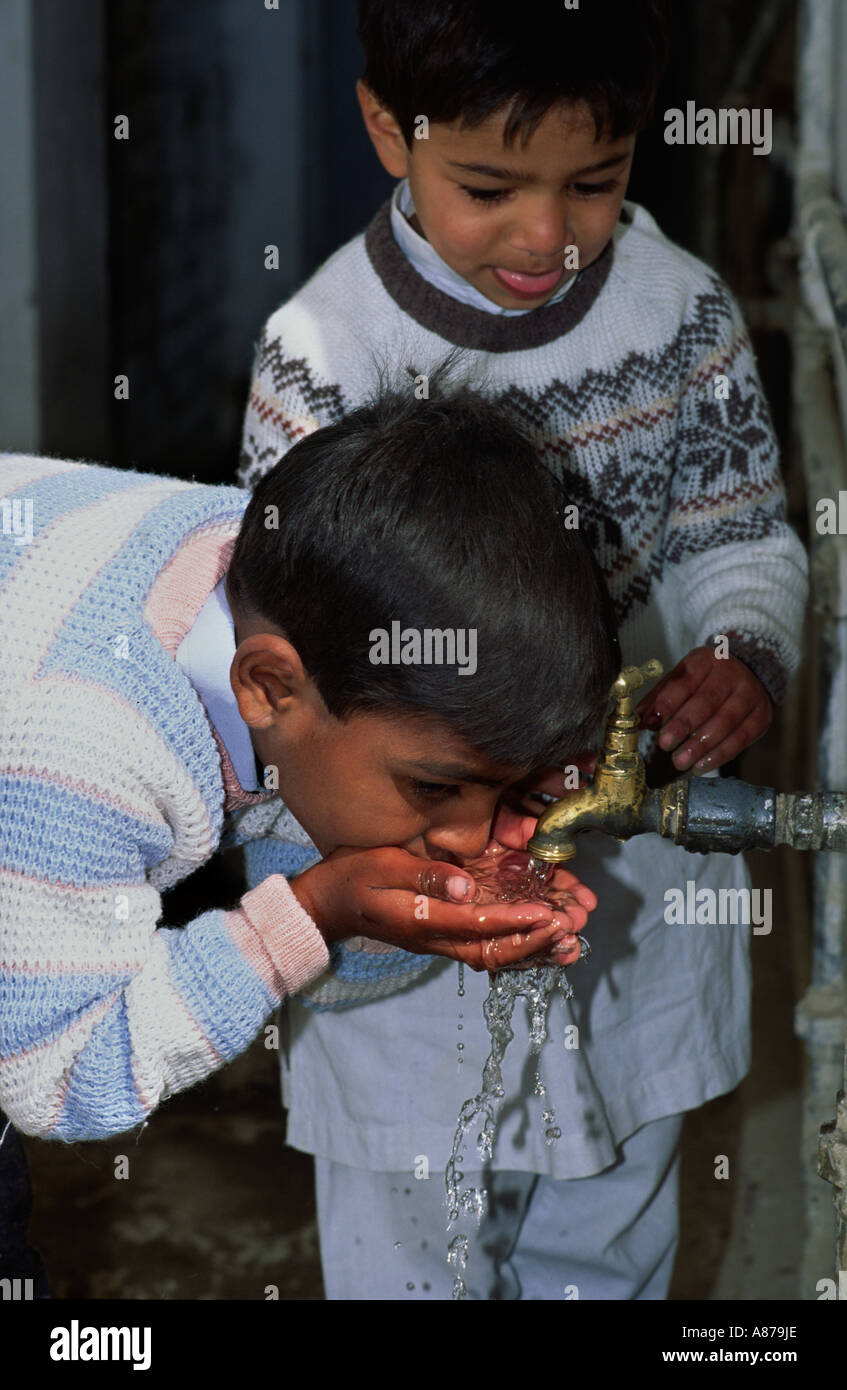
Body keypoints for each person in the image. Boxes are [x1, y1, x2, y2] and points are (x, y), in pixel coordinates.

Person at [237, 0, 809, 1299]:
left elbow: (739, 536)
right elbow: (294, 639)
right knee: (404, 1240)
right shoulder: (322, 357)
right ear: (389, 126)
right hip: (413, 894)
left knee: (599, 1224)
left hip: (629, 884)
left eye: (592, 183)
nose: (544, 235)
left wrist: (736, 645)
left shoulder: (676, 316)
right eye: (489, 185)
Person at [0, 383, 614, 1159]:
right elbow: (53, 1076)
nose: (470, 837)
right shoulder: (87, 742)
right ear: (267, 687)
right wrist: (314, 914)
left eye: (505, 790)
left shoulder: (293, 583)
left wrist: (367, 906)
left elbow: (326, 907)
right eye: (436, 787)